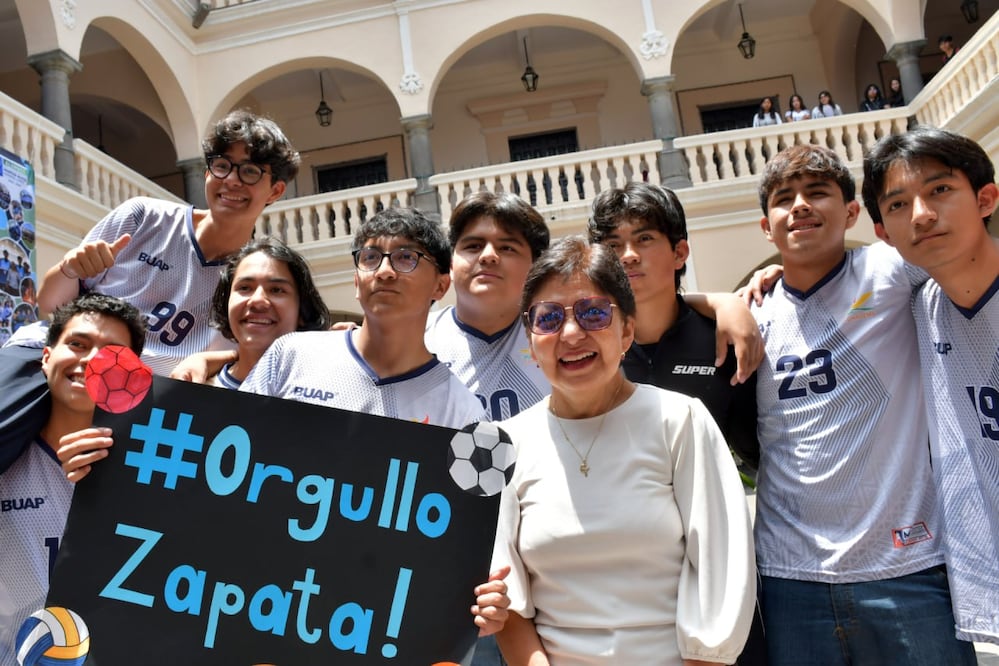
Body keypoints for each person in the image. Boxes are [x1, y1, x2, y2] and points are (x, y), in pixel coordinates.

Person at [239, 208, 509, 643]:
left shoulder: (465, 417)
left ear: (441, 285)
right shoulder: (291, 356)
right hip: (266, 609)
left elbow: (463, 549)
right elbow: (221, 466)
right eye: (370, 258)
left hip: (373, 629)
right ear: (355, 277)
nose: (384, 271)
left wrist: (481, 606)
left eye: (406, 258)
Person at [751, 143, 975, 665]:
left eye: (818, 192)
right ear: (767, 227)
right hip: (791, 579)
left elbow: (967, 253)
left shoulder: (891, 270)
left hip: (910, 566)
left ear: (853, 213)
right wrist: (716, 300)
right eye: (785, 199)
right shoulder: (751, 313)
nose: (801, 205)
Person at [492, 236, 755, 665]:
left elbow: (720, 572)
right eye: (549, 318)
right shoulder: (504, 444)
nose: (572, 333)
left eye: (594, 313)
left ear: (627, 330)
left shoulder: (681, 421)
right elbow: (507, 600)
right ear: (531, 339)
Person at [588, 182, 766, 664]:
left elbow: (762, 455)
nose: (628, 256)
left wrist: (729, 302)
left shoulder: (725, 338)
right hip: (621, 588)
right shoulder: (583, 350)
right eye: (611, 244)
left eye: (644, 239)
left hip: (722, 576)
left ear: (680, 250)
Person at [862, 126, 999, 645]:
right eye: (898, 204)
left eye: (940, 190)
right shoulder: (920, 308)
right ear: (883, 233)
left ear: (986, 198)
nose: (920, 215)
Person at [33, 109, 300, 376]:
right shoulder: (143, 217)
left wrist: (213, 360)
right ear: (207, 172)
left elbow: (266, 350)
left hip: (158, 401)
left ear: (275, 191)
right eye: (222, 166)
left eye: (250, 171)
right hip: (75, 374)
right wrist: (71, 268)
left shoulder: (252, 278)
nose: (231, 180)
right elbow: (48, 303)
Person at [0, 293, 146, 666]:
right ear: (46, 358)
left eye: (112, 352)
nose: (90, 361)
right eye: (77, 344)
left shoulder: (153, 473)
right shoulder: (8, 461)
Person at [425, 191, 551, 422]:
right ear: (451, 264)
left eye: (507, 248)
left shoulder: (561, 338)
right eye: (473, 246)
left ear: (536, 266)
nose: (488, 256)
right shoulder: (415, 341)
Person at [207, 237, 331, 389]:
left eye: (276, 290)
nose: (257, 301)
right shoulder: (194, 392)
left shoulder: (329, 389)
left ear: (302, 310)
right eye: (245, 288)